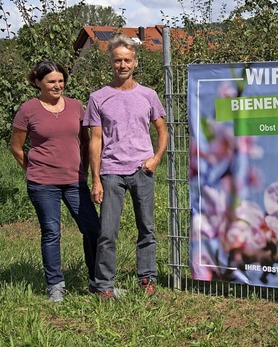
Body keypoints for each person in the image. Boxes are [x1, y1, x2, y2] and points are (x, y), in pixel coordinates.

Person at [84, 34, 168, 298]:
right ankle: (104, 285)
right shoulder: (98, 98)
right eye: (118, 60)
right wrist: (96, 179)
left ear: (136, 63)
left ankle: (147, 278)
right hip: (111, 173)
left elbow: (163, 131)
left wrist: (155, 158)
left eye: (127, 60)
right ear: (111, 62)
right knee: (107, 232)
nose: (122, 65)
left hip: (142, 171)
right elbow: (95, 141)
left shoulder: (148, 95)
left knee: (147, 228)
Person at [10, 61, 100, 303]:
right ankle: (56, 285)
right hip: (42, 183)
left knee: (93, 229)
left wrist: (82, 169)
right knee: (51, 232)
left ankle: (97, 282)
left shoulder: (75, 107)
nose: (57, 85)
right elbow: (17, 148)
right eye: (51, 81)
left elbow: (84, 141)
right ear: (38, 82)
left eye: (61, 81)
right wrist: (33, 170)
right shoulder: (28, 110)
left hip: (74, 180)